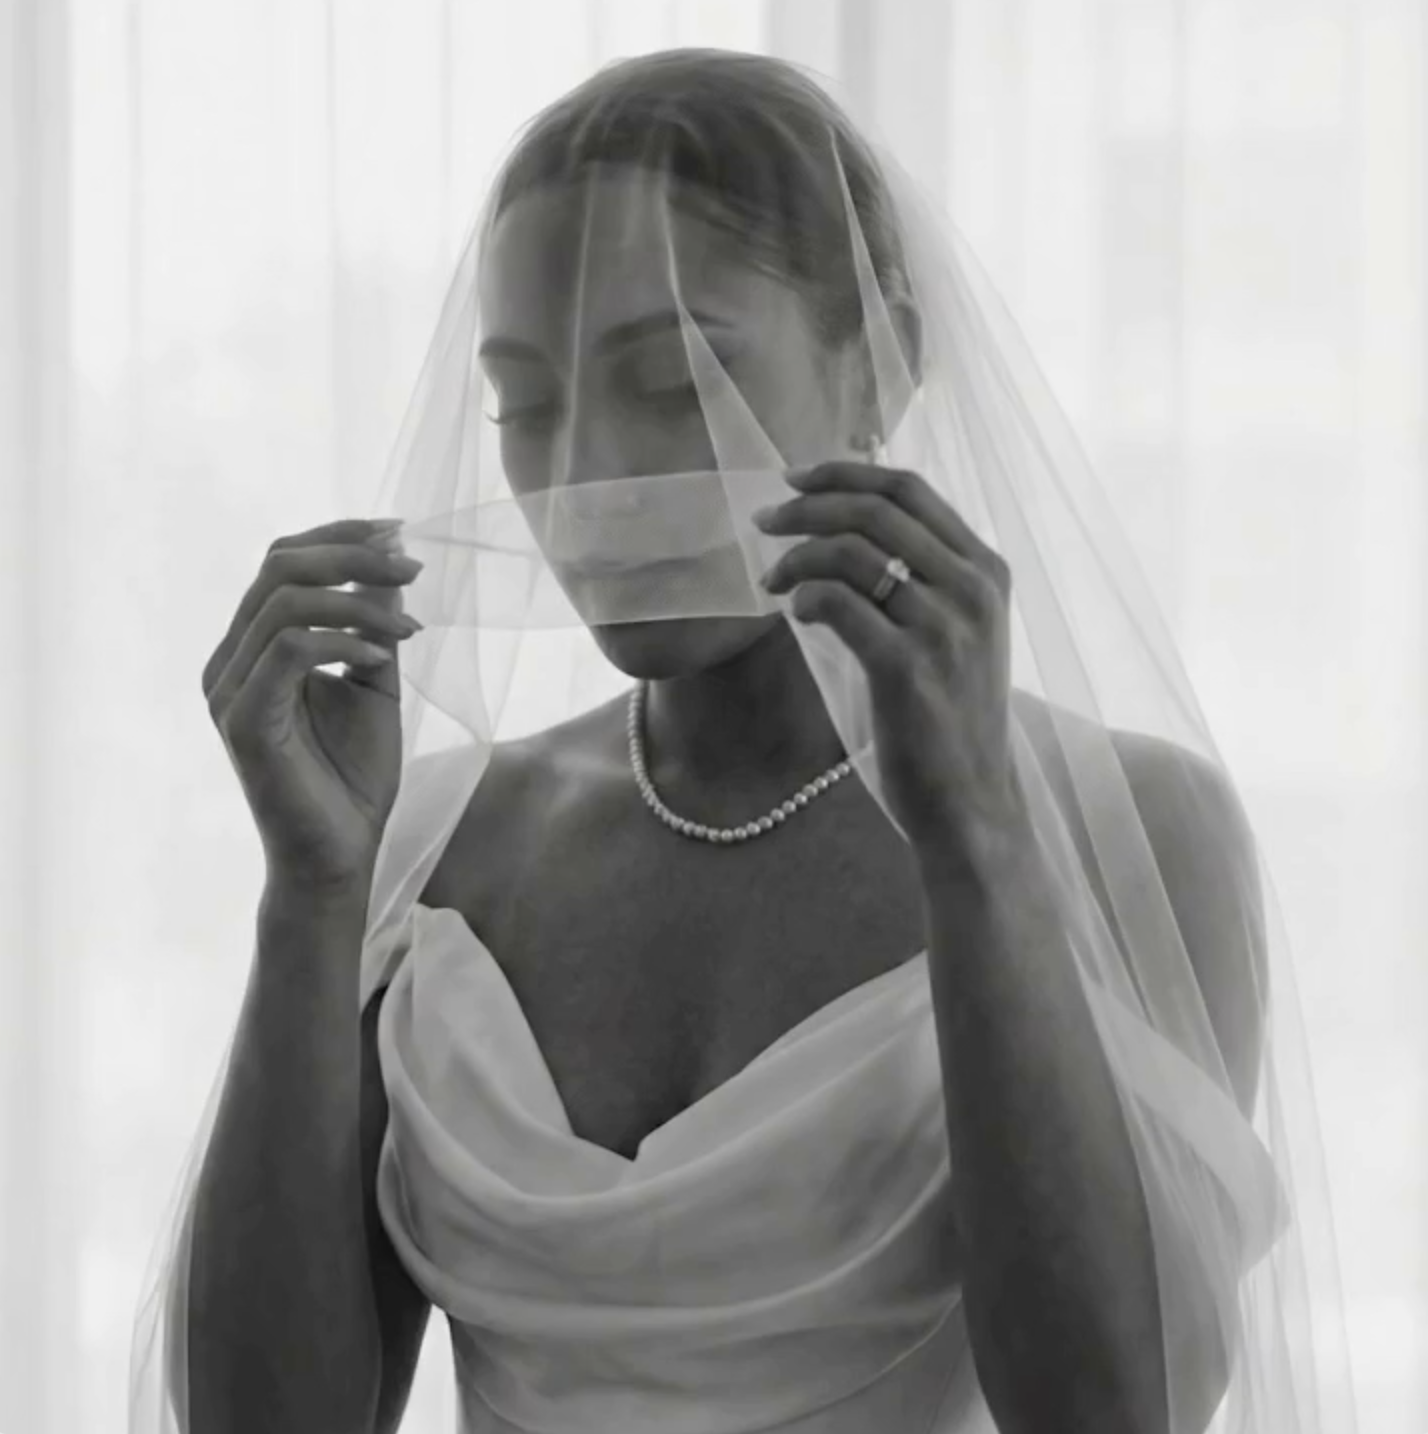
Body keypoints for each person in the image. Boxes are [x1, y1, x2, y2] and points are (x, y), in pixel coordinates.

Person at [131, 47, 1355, 1434]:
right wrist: (307, 895)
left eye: (674, 382)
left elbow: (1121, 1412)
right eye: (525, 403)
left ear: (879, 367)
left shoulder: (1134, 828)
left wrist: (975, 846)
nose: (586, 469)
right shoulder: (428, 847)